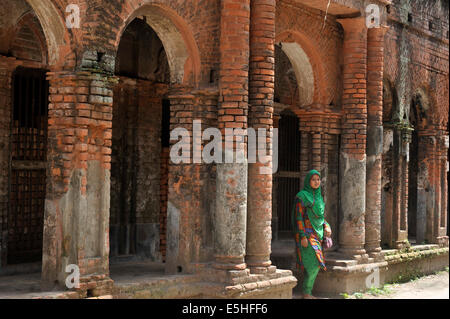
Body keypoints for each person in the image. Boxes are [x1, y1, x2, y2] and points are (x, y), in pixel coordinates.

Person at [292, 169, 332, 299]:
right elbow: (298, 217)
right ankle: (306, 293)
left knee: (313, 264)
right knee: (315, 264)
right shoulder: (302, 196)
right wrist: (302, 236)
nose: (316, 182)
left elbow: (321, 218)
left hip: (317, 235)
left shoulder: (320, 198)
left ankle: (307, 292)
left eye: (318, 179)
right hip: (306, 235)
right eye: (313, 179)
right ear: (308, 181)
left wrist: (327, 225)